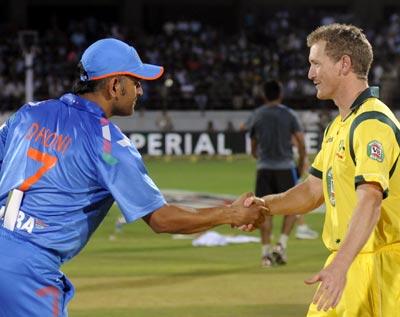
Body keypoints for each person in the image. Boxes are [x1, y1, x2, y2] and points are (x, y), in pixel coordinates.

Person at [0, 38, 268, 317]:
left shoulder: (29, 112)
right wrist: (231, 214)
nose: (140, 90)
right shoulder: (108, 145)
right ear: (115, 86)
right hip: (28, 272)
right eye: (136, 81)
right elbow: (162, 220)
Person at [246, 23, 400, 316]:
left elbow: (370, 198)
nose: (310, 74)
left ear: (344, 64)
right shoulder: (339, 125)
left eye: (316, 64)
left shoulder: (371, 124)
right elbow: (312, 190)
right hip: (347, 262)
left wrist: (340, 266)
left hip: (378, 269)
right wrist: (263, 206)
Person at [247, 79, 308, 267]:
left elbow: (253, 146)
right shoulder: (289, 115)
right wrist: (299, 164)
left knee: (263, 210)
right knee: (293, 208)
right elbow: (301, 143)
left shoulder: (257, 115)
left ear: (264, 95)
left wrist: (259, 155)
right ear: (280, 94)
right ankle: (281, 244)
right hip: (285, 167)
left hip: (264, 168)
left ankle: (265, 255)